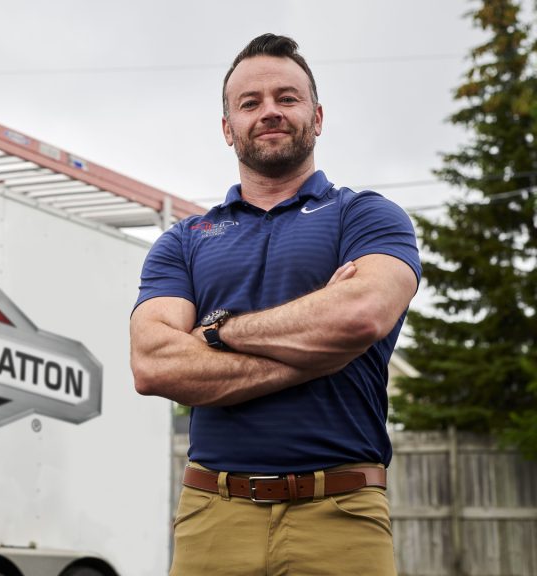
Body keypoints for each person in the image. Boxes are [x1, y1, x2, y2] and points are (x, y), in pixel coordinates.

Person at [130, 33, 420, 575]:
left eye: (287, 98)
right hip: (211, 514)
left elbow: (360, 315)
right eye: (250, 103)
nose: (270, 112)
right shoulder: (185, 239)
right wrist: (320, 350)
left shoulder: (368, 218)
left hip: (342, 513)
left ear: (317, 115)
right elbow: (152, 364)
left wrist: (215, 331)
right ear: (227, 128)